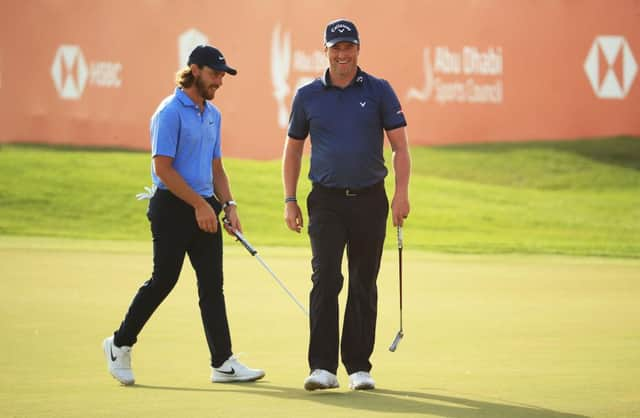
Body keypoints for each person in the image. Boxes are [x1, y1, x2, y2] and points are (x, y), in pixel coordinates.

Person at [102, 45, 265, 385]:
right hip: (173, 207)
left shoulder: (212, 114)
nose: (219, 81)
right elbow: (163, 168)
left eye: (222, 75)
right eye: (215, 74)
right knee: (164, 279)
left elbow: (216, 167)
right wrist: (199, 205)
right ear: (195, 70)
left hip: (205, 204)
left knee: (212, 286)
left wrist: (229, 205)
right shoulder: (170, 111)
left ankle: (222, 362)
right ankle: (119, 344)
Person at [282, 18, 411, 391]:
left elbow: (400, 147)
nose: (342, 54)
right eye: (335, 47)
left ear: (358, 49)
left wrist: (401, 193)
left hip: (371, 198)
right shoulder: (307, 96)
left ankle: (358, 366)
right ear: (325, 51)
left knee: (362, 281)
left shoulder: (380, 90)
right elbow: (292, 151)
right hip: (326, 201)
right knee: (326, 279)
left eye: (348, 46)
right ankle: (322, 367)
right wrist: (290, 200)